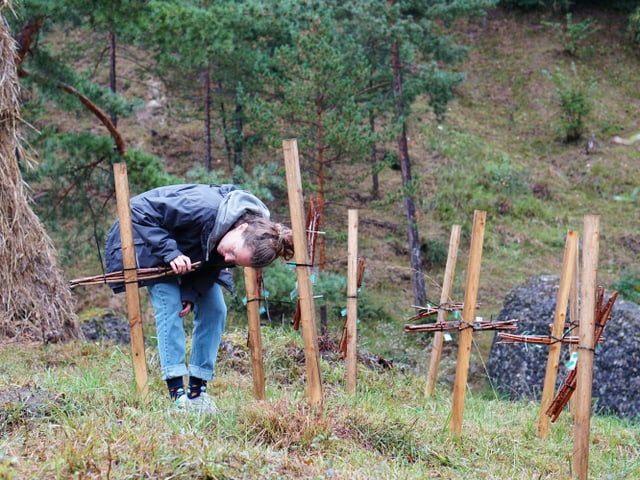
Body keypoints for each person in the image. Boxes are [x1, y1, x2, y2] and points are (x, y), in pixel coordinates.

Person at [105, 184, 294, 413]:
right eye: (232, 252)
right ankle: (177, 396)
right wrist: (170, 252)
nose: (228, 258)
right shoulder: (202, 206)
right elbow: (136, 209)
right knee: (170, 304)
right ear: (241, 228)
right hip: (146, 243)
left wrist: (192, 294)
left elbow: (212, 261)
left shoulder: (239, 229)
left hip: (188, 258)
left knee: (215, 309)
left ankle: (197, 392)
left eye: (234, 261)